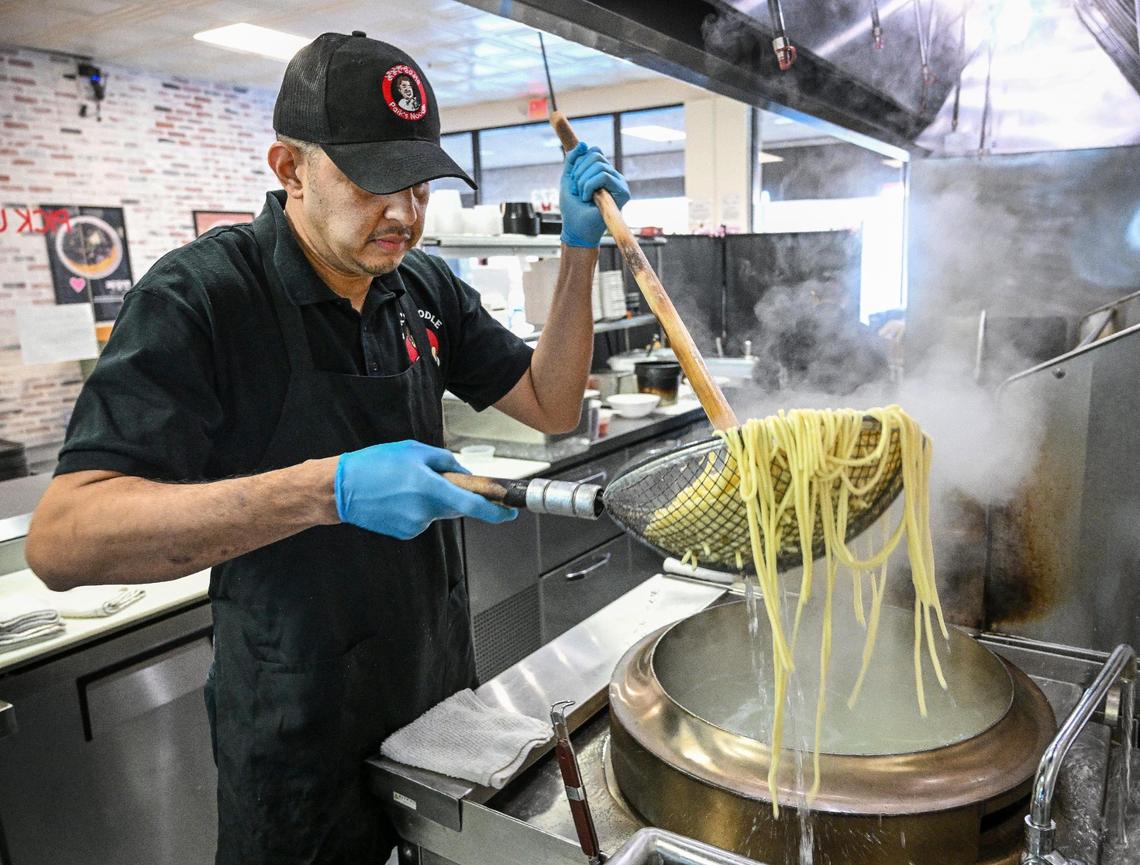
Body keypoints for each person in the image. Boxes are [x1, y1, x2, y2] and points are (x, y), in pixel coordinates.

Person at [25, 31, 630, 865]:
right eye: (373, 183)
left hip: (437, 715)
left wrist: (578, 252)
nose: (405, 214)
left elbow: (551, 403)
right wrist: (327, 488)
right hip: (296, 746)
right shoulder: (202, 296)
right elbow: (63, 538)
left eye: (419, 185)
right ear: (289, 168)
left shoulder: (421, 288)